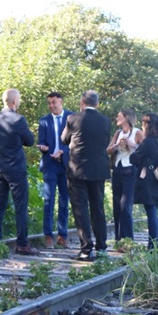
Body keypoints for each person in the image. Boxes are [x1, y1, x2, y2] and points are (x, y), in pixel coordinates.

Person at [61, 90, 111, 261]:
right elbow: (103, 142)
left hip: (78, 170)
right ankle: (102, 248)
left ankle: (86, 249)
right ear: (97, 104)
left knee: (80, 209)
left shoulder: (73, 119)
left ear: (82, 102)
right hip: (98, 170)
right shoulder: (105, 121)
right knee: (98, 208)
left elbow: (64, 139)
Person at [0, 89, 39, 256]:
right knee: (20, 206)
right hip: (15, 169)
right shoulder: (18, 120)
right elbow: (30, 141)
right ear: (14, 101)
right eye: (19, 99)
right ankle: (22, 244)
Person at [36, 92, 72, 249]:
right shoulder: (44, 121)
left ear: (61, 102)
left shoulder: (71, 118)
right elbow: (41, 142)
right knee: (48, 201)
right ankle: (48, 235)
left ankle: (62, 235)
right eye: (49, 103)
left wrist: (63, 150)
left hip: (65, 165)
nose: (51, 105)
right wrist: (43, 147)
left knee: (64, 201)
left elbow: (76, 141)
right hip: (50, 164)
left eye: (54, 102)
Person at [106, 109, 144, 249]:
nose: (117, 117)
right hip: (117, 169)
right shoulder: (118, 133)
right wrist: (116, 146)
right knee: (116, 205)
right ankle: (118, 240)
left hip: (131, 170)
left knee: (125, 205)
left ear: (127, 118)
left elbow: (145, 149)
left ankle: (127, 241)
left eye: (119, 116)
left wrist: (131, 144)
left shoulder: (137, 132)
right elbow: (108, 150)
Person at [130, 113, 158, 249]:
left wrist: (134, 149)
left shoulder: (148, 141)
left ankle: (153, 246)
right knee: (154, 212)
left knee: (151, 212)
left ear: (147, 125)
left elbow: (133, 159)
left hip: (149, 182)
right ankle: (155, 244)